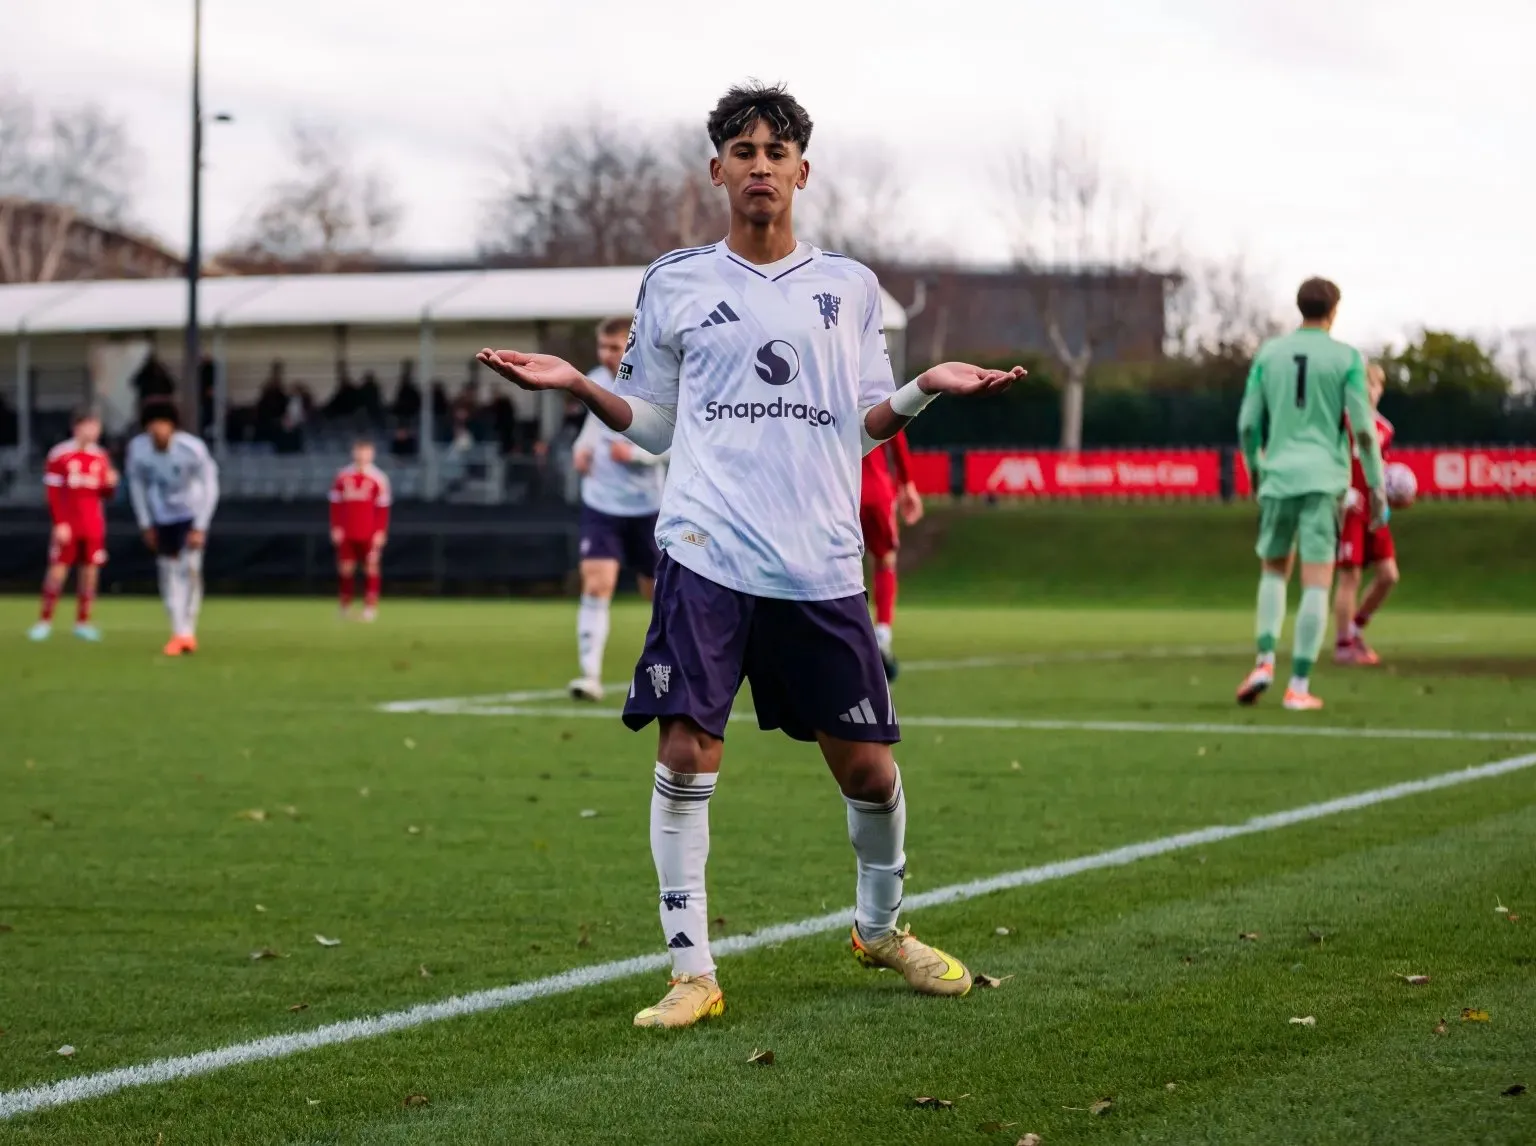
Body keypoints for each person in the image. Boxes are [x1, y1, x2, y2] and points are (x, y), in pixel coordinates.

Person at [477, 82, 1022, 1029]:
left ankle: (880, 930)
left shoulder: (850, 287)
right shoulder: (674, 281)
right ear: (717, 170)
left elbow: (862, 425)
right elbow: (655, 425)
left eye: (777, 151)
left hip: (818, 562)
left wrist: (926, 387)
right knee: (687, 751)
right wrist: (580, 385)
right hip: (706, 550)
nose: (760, 165)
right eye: (743, 150)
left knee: (869, 773)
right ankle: (692, 970)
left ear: (803, 172)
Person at [1235, 278, 1385, 711]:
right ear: (1334, 310)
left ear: (1299, 307)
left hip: (1278, 477)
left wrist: (1256, 472)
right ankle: (1297, 686)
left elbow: (1248, 424)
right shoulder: (1346, 358)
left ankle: (1264, 661)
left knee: (1273, 570)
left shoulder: (1269, 354)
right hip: (1323, 480)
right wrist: (1376, 486)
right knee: (1317, 581)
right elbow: (1363, 428)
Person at [567, 315, 668, 701]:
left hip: (647, 507)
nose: (607, 355)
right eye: (602, 347)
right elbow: (592, 429)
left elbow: (676, 442)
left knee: (658, 593)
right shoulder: (594, 379)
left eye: (615, 347)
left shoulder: (657, 382)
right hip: (602, 503)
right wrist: (581, 450)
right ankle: (589, 675)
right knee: (597, 582)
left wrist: (638, 455)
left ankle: (670, 670)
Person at [126, 401, 220, 656]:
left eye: (163, 423)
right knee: (168, 572)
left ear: (172, 426)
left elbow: (210, 485)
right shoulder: (138, 450)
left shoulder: (192, 448)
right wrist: (145, 523)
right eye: (153, 423)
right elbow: (136, 486)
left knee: (191, 569)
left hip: (190, 512)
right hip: (162, 516)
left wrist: (201, 525)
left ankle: (188, 630)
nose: (158, 429)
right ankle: (178, 631)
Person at [30, 407, 118, 642]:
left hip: (93, 523)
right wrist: (59, 522)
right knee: (58, 571)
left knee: (90, 572)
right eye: (89, 425)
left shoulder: (101, 456)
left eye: (96, 426)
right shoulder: (60, 455)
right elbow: (53, 493)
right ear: (77, 427)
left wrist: (111, 485)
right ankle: (44, 621)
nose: (93, 431)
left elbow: (105, 494)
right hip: (69, 522)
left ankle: (83, 622)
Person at [1334, 362, 1399, 664]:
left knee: (1388, 575)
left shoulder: (1386, 428)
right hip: (1350, 509)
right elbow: (1332, 460)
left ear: (1381, 390)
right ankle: (1343, 644)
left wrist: (1393, 495)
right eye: (1363, 386)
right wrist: (1341, 491)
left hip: (1375, 511)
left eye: (1373, 385)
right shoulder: (1342, 423)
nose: (1368, 391)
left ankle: (1355, 629)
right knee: (1351, 576)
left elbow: (1381, 469)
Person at [861, 428, 922, 679]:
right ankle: (882, 634)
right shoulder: (874, 400)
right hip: (876, 489)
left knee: (837, 565)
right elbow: (896, 429)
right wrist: (907, 482)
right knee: (885, 561)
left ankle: (846, 633)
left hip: (839, 490)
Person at [329, 437, 392, 622]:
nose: (362, 456)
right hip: (348, 530)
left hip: (369, 532)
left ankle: (370, 607)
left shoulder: (379, 478)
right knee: (345, 568)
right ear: (353, 453)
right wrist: (336, 527)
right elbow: (335, 504)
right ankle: (345, 605)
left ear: (372, 454)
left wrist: (380, 530)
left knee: (371, 567)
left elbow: (383, 507)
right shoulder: (342, 476)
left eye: (366, 452)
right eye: (359, 451)